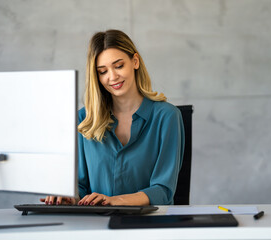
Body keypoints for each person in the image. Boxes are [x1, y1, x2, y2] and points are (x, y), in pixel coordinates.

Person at [41, 29, 184, 206]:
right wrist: (68, 196)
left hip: (149, 226)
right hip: (96, 227)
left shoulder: (167, 116)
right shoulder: (84, 119)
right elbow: (81, 186)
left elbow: (163, 190)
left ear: (135, 62)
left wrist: (115, 200)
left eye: (118, 66)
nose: (112, 77)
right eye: (103, 71)